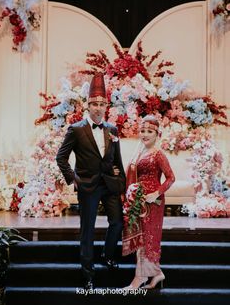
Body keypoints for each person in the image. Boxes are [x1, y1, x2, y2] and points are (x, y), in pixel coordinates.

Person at [56, 72, 125, 290]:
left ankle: (106, 253)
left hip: (109, 184)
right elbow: (61, 157)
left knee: (117, 222)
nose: (98, 107)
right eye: (94, 103)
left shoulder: (112, 129)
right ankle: (88, 274)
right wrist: (73, 179)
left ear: (107, 106)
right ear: (87, 105)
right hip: (87, 185)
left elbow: (117, 159)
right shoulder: (76, 129)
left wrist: (120, 182)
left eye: (101, 104)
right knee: (88, 229)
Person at [122, 115, 175, 289]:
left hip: (153, 203)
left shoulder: (158, 154)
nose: (145, 134)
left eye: (149, 131)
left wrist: (156, 193)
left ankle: (140, 278)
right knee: (142, 237)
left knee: (148, 238)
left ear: (157, 134)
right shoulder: (139, 152)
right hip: (139, 202)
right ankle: (156, 273)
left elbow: (170, 178)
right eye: (142, 131)